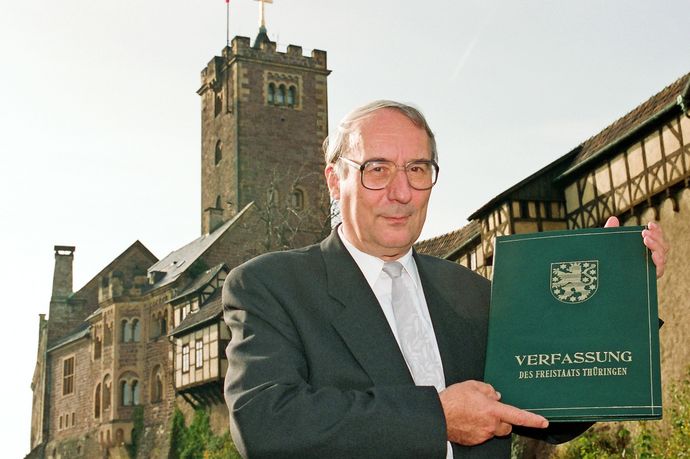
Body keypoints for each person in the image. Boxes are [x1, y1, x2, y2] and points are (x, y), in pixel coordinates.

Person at [222, 100, 669, 458]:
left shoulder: (473, 292)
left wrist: (619, 299)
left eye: (417, 169)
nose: (402, 193)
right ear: (335, 181)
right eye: (376, 169)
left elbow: (553, 411)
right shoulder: (271, 286)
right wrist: (436, 417)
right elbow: (266, 423)